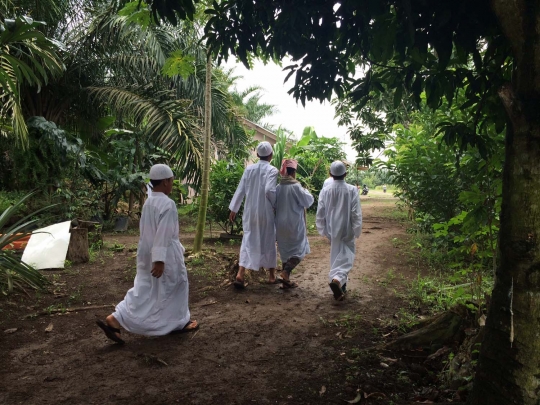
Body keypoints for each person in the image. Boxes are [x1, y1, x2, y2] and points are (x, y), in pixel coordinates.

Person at [96, 164, 198, 344]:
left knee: (144, 288)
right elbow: (164, 233)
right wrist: (159, 260)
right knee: (178, 285)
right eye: (172, 181)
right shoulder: (168, 203)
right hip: (164, 253)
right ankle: (179, 323)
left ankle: (116, 318)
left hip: (145, 252)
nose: (172, 184)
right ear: (166, 182)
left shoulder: (149, 202)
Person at [229, 141, 279, 288]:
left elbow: (240, 190)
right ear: (271, 155)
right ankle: (271, 275)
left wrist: (234, 209)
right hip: (266, 212)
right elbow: (270, 190)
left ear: (257, 155)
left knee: (248, 238)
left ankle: (240, 273)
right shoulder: (272, 170)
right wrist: (275, 204)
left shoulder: (249, 170)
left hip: (250, 212)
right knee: (269, 240)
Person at [316, 161, 363, 301]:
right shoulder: (352, 190)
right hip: (347, 228)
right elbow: (356, 212)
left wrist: (322, 229)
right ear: (345, 174)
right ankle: (337, 280)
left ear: (330, 174)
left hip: (332, 229)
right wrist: (357, 229)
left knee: (335, 255)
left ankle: (341, 288)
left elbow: (321, 212)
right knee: (347, 256)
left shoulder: (325, 190)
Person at [275, 159, 314, 288]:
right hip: (294, 223)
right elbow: (308, 201)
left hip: (280, 224)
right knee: (300, 249)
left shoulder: (278, 187)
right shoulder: (296, 186)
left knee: (285, 251)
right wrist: (306, 191)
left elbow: (273, 204)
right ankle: (285, 272)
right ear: (294, 172)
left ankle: (285, 282)